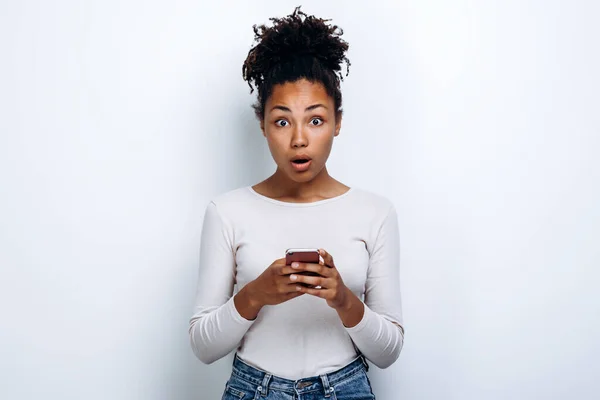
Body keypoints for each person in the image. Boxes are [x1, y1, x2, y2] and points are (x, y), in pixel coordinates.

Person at [189, 6, 405, 399]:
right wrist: (255, 295)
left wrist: (342, 298)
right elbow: (203, 347)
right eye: (283, 121)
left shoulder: (376, 213)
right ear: (263, 125)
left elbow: (389, 350)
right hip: (252, 389)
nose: (299, 139)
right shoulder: (226, 212)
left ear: (338, 122)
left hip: (346, 388)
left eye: (316, 120)